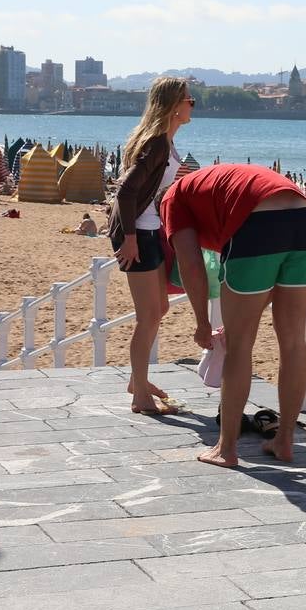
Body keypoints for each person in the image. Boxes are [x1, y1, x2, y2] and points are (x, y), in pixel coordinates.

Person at [162, 163, 306, 468]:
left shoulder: (172, 199)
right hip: (302, 219)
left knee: (239, 343)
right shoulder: (211, 185)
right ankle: (285, 440)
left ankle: (226, 448)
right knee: (293, 340)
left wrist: (202, 323)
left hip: (257, 224)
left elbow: (191, 265)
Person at [108, 77, 193, 416]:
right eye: (190, 100)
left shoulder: (165, 144)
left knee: (159, 309)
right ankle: (139, 395)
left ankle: (136, 381)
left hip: (149, 229)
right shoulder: (157, 143)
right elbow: (127, 192)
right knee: (148, 317)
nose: (192, 106)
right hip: (136, 234)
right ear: (174, 105)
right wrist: (129, 238)